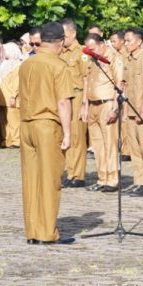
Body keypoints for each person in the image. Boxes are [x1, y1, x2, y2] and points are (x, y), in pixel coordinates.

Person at [17, 21, 75, 245]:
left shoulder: (27, 64)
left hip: (26, 124)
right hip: (46, 125)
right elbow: (63, 102)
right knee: (49, 180)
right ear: (60, 42)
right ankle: (47, 232)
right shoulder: (58, 65)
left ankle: (32, 231)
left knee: (30, 179)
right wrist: (68, 133)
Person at [82, 33, 124, 192]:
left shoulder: (114, 57)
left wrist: (115, 107)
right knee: (97, 145)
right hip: (93, 104)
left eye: (93, 48)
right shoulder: (93, 58)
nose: (91, 51)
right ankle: (102, 178)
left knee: (110, 143)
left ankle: (113, 179)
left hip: (107, 103)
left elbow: (120, 82)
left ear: (101, 44)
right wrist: (85, 104)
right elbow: (87, 80)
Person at [121, 28, 143, 194]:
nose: (126, 44)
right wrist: (125, 111)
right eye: (125, 41)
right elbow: (125, 86)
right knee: (134, 147)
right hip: (130, 108)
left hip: (141, 110)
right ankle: (139, 179)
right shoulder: (127, 59)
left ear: (139, 42)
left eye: (129, 41)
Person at [58, 19, 89, 188]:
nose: (62, 39)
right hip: (63, 97)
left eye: (65, 35)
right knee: (66, 135)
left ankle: (78, 174)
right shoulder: (60, 52)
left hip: (76, 96)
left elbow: (86, 79)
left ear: (73, 34)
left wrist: (85, 103)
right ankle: (69, 172)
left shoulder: (82, 53)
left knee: (76, 136)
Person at [0, 42, 25, 147]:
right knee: (4, 121)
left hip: (11, 97)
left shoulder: (18, 65)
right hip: (1, 97)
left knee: (14, 121)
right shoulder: (2, 64)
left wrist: (13, 96)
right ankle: (6, 140)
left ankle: (16, 141)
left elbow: (16, 82)